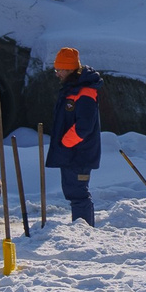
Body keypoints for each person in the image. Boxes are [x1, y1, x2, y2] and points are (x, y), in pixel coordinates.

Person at [45, 46, 102, 226]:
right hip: (73, 153)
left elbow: (84, 126)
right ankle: (83, 229)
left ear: (69, 68)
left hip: (79, 154)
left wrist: (66, 143)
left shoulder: (84, 92)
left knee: (78, 193)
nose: (57, 74)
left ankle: (84, 232)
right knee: (74, 192)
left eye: (59, 69)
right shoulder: (72, 89)